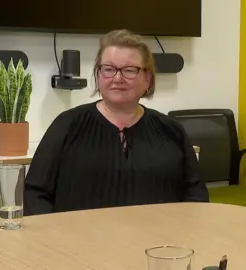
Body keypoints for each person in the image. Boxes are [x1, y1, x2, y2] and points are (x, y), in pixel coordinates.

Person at [24, 29, 209, 215]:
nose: (117, 78)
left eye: (129, 70)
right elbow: (35, 193)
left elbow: (196, 194)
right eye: (109, 69)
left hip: (158, 241)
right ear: (98, 74)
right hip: (78, 242)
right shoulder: (67, 125)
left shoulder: (171, 131)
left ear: (148, 79)